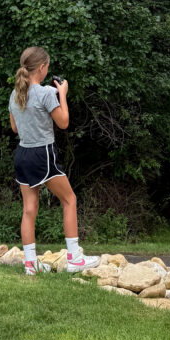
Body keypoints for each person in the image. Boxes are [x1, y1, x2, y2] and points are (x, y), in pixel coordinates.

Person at [9, 45, 100, 276]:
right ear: (41, 68)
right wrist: (62, 95)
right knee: (69, 199)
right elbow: (64, 122)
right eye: (46, 67)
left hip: (22, 154)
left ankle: (31, 265)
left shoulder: (15, 94)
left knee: (29, 209)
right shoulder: (46, 93)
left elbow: (14, 127)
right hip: (43, 154)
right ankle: (75, 258)